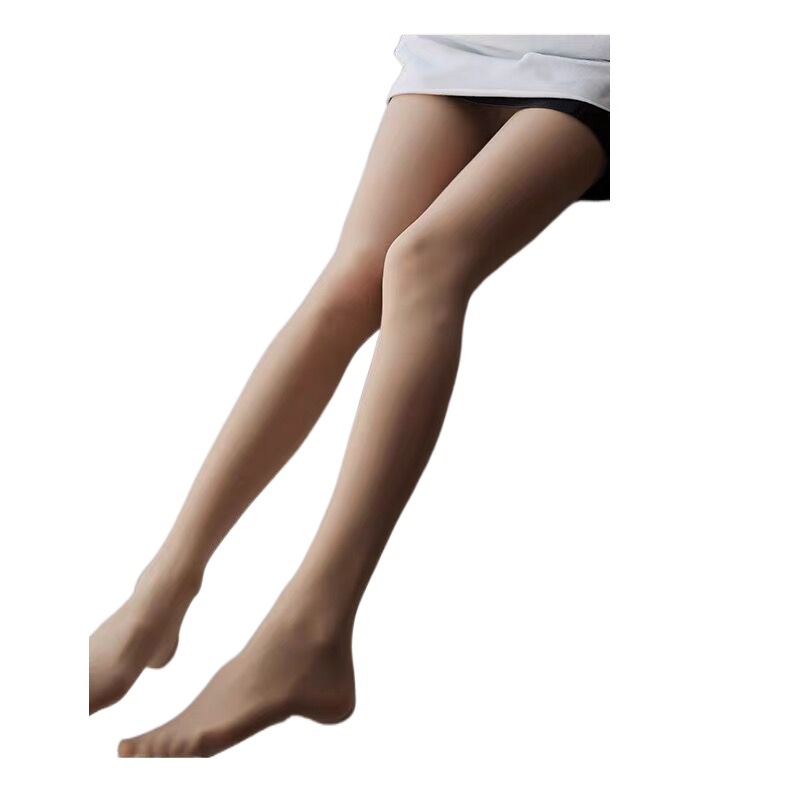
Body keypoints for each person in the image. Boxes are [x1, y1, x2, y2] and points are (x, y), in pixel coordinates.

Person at [89, 34, 611, 758]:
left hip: (605, 62)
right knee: (353, 277)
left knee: (424, 261)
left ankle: (312, 629)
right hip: (472, 37)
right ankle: (159, 595)